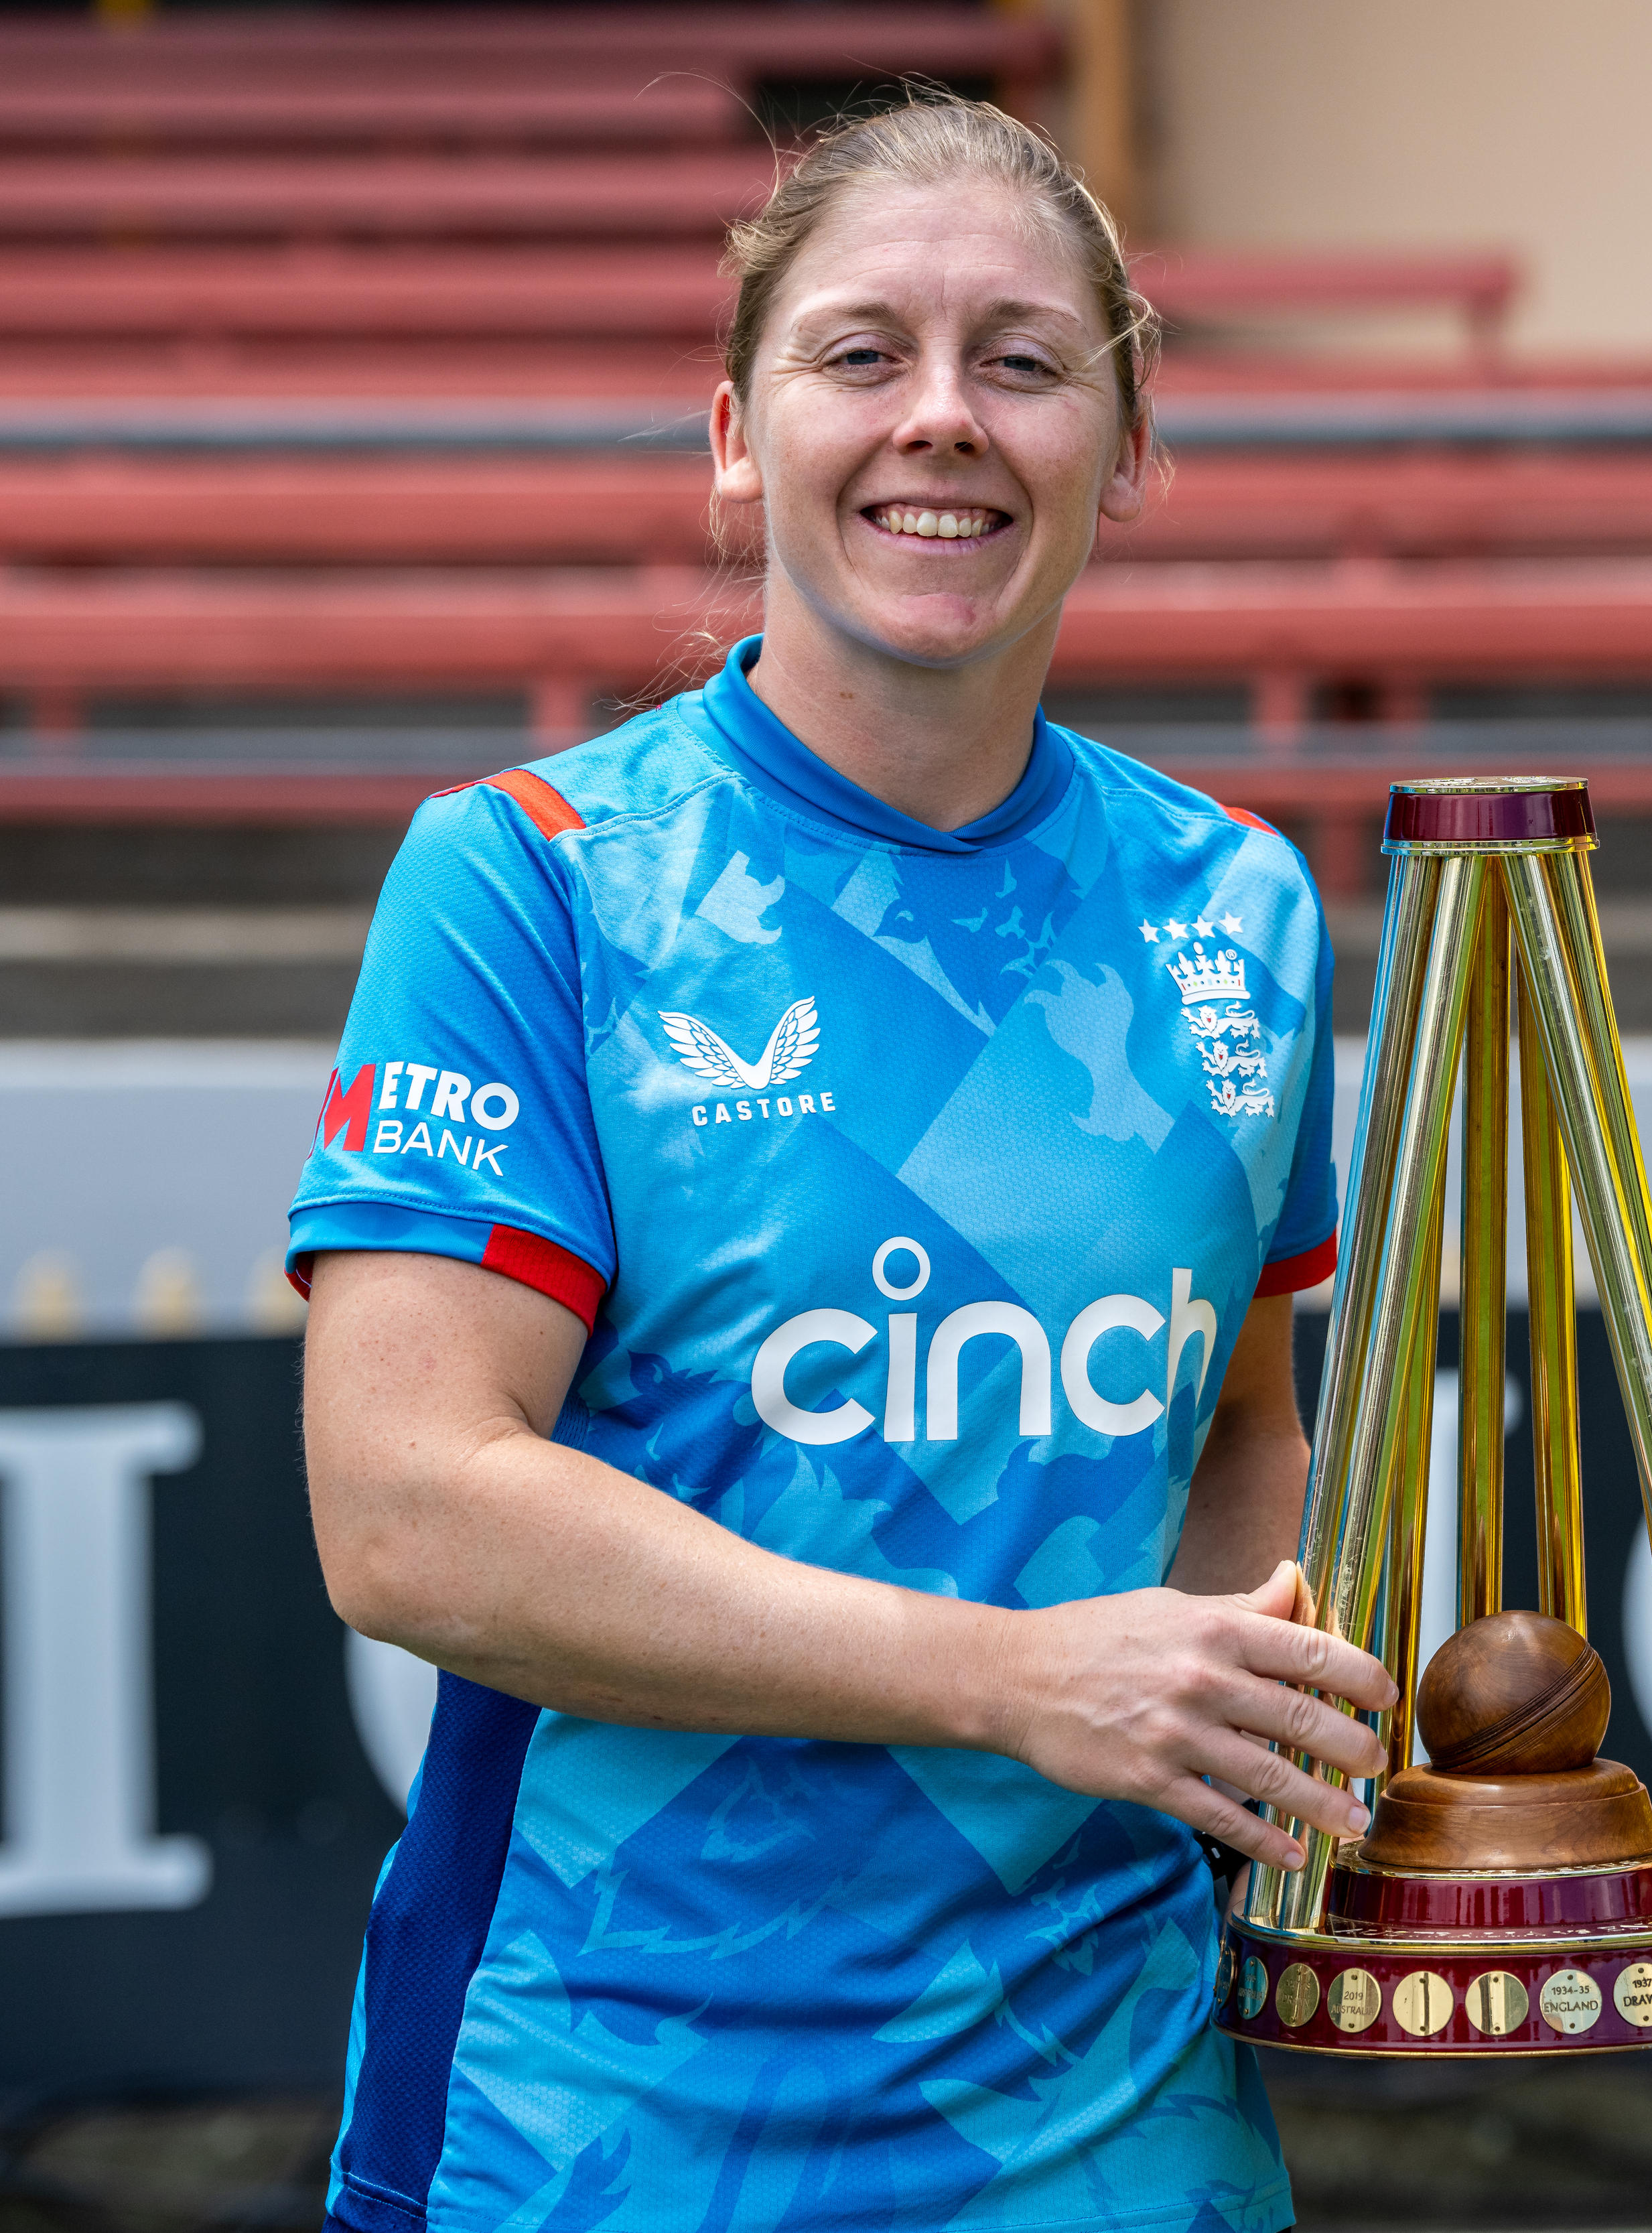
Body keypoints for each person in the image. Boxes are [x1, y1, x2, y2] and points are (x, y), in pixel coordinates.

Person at [291, 96, 1393, 2233]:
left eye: (1023, 360)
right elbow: (409, 1514)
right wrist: (1022, 1679)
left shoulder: (1240, 903)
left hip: (1121, 2129)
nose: (942, 417)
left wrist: (1287, 1737)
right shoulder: (532, 879)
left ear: (1128, 448)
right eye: (863, 353)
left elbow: (1242, 1430)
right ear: (738, 438)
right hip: (598, 2129)